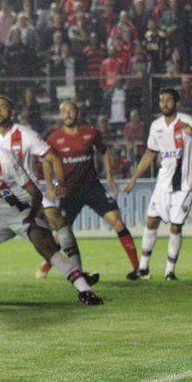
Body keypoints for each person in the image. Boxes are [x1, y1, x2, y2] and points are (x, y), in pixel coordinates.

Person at [0, 117, 102, 306]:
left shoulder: (5, 158)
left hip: (24, 210)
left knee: (45, 247)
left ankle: (85, 290)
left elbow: (34, 193)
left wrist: (32, 217)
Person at [122, 88, 192, 280]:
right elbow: (150, 153)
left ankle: (169, 271)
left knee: (175, 227)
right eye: (161, 100)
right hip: (163, 184)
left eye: (168, 100)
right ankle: (143, 268)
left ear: (177, 104)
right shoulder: (156, 126)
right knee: (151, 221)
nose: (164, 103)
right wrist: (134, 178)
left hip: (184, 185)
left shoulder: (187, 121)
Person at [46, 100, 142, 280]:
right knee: (61, 234)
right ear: (60, 115)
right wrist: (51, 186)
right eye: (63, 111)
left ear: (77, 112)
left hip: (92, 187)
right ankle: (45, 267)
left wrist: (109, 175)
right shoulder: (54, 139)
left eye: (70, 110)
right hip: (70, 192)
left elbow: (104, 151)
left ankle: (138, 268)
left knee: (117, 222)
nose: (67, 114)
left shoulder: (90, 133)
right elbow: (46, 161)